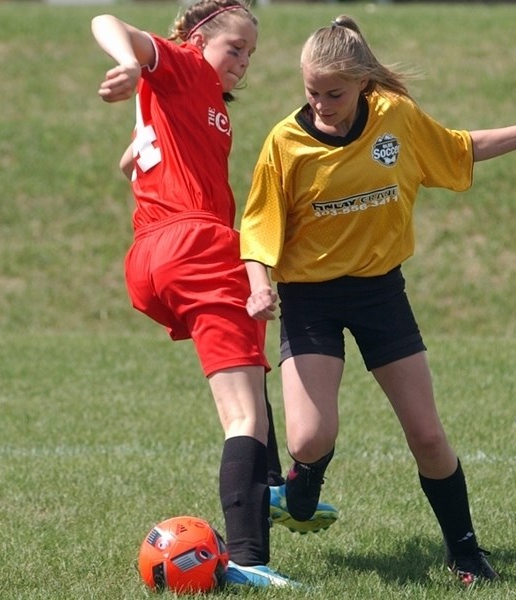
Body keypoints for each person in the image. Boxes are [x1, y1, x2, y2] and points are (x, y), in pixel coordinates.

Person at [240, 14, 516, 587]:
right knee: (309, 438)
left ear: (363, 84)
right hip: (309, 297)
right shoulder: (286, 142)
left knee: (428, 435)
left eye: (334, 93)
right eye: (312, 92)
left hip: (380, 293)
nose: (322, 104)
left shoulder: (394, 119)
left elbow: (456, 150)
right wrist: (259, 284)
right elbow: (257, 228)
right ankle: (302, 485)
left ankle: (466, 553)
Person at [90, 1, 338, 588]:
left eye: (250, 54)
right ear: (199, 38)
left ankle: (272, 487)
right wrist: (128, 62)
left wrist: (137, 147)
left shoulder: (193, 99)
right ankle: (248, 560)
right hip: (197, 247)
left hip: (153, 253)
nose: (242, 63)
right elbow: (108, 21)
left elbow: (138, 155)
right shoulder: (183, 66)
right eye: (235, 48)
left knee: (248, 373)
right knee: (243, 414)